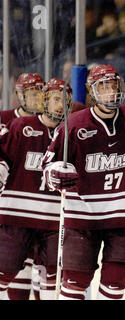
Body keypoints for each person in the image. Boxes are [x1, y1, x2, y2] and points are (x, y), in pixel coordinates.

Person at [42, 65, 125, 300]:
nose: (111, 91)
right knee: (75, 285)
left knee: (116, 284)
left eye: (114, 85)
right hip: (82, 218)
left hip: (124, 218)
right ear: (91, 92)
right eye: (104, 86)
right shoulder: (75, 124)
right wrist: (55, 173)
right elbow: (48, 165)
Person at [0, 78, 72, 300]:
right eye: (55, 99)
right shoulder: (21, 127)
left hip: (54, 220)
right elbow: (3, 159)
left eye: (65, 100)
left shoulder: (72, 132)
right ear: (45, 101)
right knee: (4, 273)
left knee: (52, 277)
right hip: (17, 217)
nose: (61, 105)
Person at [1, 73, 44, 300]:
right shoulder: (4, 120)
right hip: (11, 212)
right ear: (19, 95)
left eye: (40, 93)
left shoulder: (53, 123)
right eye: (32, 93)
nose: (37, 99)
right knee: (15, 271)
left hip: (44, 211)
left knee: (42, 275)